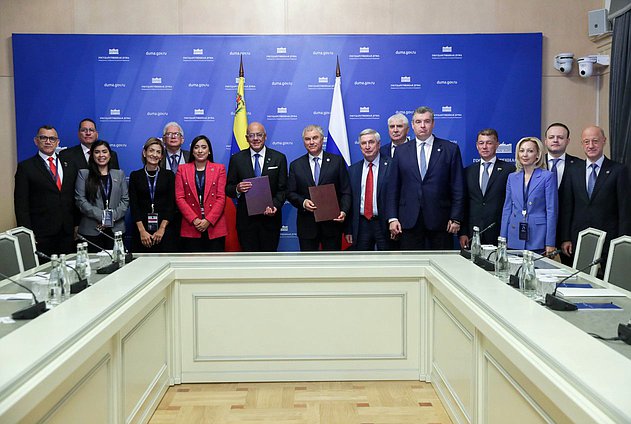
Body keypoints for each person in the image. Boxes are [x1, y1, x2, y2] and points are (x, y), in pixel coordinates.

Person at [386, 106, 465, 250]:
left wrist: (456, 217)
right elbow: (393, 188)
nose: (423, 126)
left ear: (433, 124)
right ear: (412, 125)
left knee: (441, 266)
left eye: (427, 121)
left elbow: (458, 186)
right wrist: (392, 218)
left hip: (441, 221)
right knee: (411, 267)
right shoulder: (401, 151)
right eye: (418, 122)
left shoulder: (450, 149)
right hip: (408, 221)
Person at [560, 126, 631, 266]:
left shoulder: (618, 170)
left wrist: (623, 243)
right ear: (582, 144)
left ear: (604, 141)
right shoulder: (573, 170)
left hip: (609, 241)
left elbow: (625, 209)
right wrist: (566, 238)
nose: (591, 145)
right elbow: (567, 207)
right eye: (586, 142)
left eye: (595, 141)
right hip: (578, 241)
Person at [14, 125, 78, 256]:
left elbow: (73, 197)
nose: (48, 141)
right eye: (43, 138)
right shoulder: (26, 167)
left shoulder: (69, 165)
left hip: (67, 231)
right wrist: (27, 233)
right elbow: (21, 204)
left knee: (68, 271)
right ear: (36, 141)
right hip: (41, 233)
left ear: (58, 142)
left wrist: (76, 225)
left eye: (52, 138)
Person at [287, 124, 351, 251]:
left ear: (322, 139)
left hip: (332, 224)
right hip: (307, 226)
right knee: (308, 267)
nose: (311, 142)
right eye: (307, 139)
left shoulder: (336, 161)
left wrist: (343, 211)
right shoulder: (296, 165)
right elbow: (290, 193)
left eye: (315, 138)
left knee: (332, 268)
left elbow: (346, 191)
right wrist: (303, 202)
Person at [225, 122, 288, 252]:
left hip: (270, 221)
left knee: (269, 261)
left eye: (259, 135)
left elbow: (283, 189)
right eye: (251, 135)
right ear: (246, 138)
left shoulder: (279, 158)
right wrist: (237, 188)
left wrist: (274, 206)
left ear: (265, 137)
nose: (255, 138)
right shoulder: (237, 159)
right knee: (249, 262)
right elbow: (228, 188)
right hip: (246, 221)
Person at [500, 137, 557, 254]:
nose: (525, 154)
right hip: (514, 234)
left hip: (538, 236)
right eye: (522, 151)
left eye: (530, 151)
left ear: (538, 155)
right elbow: (507, 209)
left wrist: (550, 242)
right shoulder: (512, 177)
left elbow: (551, 210)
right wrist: (502, 238)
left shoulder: (547, 177)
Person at [459, 129, 515, 248]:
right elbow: (464, 203)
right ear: (477, 145)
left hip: (499, 233)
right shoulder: (468, 171)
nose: (484, 147)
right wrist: (463, 232)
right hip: (472, 234)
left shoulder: (509, 171)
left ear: (497, 145)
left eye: (489, 143)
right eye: (481, 143)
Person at [175, 135, 227, 252]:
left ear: (209, 151)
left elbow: (221, 198)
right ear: (192, 151)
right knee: (192, 267)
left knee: (215, 266)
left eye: (204, 147)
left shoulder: (219, 169)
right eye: (196, 147)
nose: (200, 151)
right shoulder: (182, 169)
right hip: (191, 226)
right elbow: (179, 198)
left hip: (214, 226)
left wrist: (208, 220)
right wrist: (195, 220)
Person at [75, 140, 128, 251]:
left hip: (116, 231)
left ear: (109, 154)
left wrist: (110, 218)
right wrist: (103, 217)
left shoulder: (119, 174)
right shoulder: (84, 174)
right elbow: (80, 201)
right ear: (92, 155)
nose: (101, 155)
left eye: (104, 151)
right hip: (91, 230)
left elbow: (125, 201)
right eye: (97, 152)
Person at [544, 122, 583, 264]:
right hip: (540, 233)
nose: (555, 140)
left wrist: (568, 236)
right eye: (552, 137)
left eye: (560, 137)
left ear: (568, 141)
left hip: (569, 235)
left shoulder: (580, 166)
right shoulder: (535, 164)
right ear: (545, 140)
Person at [128, 138, 176, 253]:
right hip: (142, 231)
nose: (154, 154)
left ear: (161, 156)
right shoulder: (135, 176)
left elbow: (171, 205)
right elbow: (134, 206)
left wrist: (161, 229)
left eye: (158, 152)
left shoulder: (169, 175)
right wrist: (142, 231)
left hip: (164, 230)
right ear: (144, 153)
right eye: (151, 150)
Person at [346, 129, 391, 251]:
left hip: (384, 223)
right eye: (363, 143)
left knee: (388, 262)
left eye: (371, 142)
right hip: (361, 224)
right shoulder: (353, 170)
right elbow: (350, 201)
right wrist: (349, 229)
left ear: (378, 144)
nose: (367, 146)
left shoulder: (391, 165)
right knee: (362, 262)